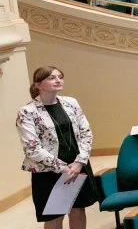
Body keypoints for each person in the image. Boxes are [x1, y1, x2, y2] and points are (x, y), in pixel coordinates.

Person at [16, 66, 99, 228]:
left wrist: (79, 162)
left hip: (77, 164)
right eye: (51, 77)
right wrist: (63, 168)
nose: (58, 80)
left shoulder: (71, 102)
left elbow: (86, 132)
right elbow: (32, 148)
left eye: (60, 77)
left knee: (78, 210)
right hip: (49, 170)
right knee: (55, 216)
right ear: (38, 84)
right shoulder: (27, 112)